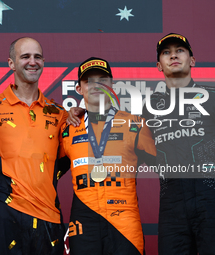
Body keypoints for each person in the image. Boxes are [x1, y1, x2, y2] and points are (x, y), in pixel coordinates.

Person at [0, 37, 68, 255]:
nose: (32, 62)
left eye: (37, 57)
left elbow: (74, 156)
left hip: (48, 218)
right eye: (25, 57)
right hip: (3, 214)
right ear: (11, 63)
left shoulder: (59, 114)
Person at [143, 33, 215, 254]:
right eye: (166, 52)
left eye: (180, 50)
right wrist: (81, 111)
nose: (173, 55)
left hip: (213, 198)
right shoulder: (150, 107)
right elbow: (138, 148)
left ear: (192, 60)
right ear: (159, 65)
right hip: (172, 204)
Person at [60, 57, 156, 255]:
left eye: (102, 79)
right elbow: (46, 177)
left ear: (112, 85)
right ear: (79, 89)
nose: (96, 85)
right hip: (83, 223)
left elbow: (167, 167)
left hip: (125, 223)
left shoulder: (135, 124)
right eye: (89, 81)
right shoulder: (67, 129)